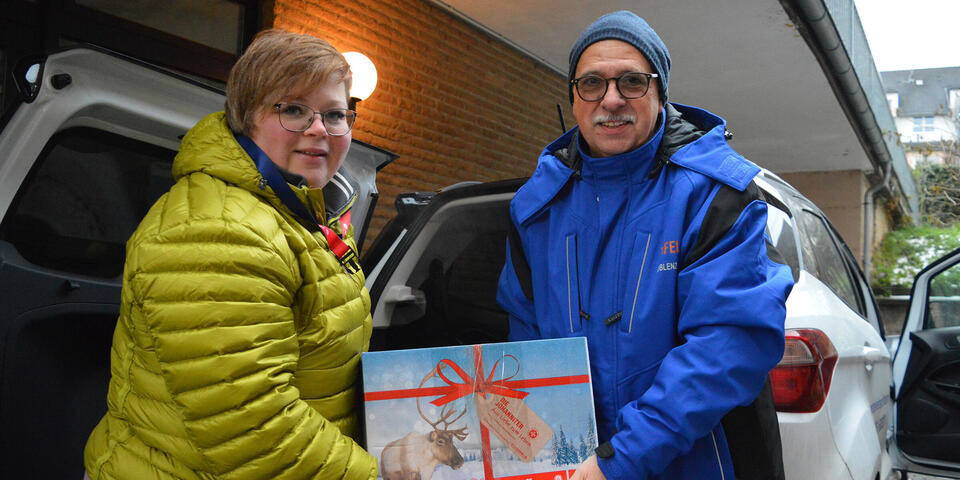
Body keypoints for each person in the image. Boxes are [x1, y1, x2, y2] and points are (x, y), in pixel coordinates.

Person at [496, 11, 794, 480]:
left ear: (659, 93)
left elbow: (726, 348)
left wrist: (620, 460)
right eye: (591, 83)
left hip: (701, 465)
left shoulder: (717, 195)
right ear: (573, 97)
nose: (611, 100)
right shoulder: (536, 210)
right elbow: (526, 342)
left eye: (632, 81)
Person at [83, 29, 377, 480]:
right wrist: (376, 473)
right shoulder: (217, 230)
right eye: (294, 108)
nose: (320, 128)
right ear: (246, 117)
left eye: (336, 114)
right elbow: (254, 426)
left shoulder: (305, 212)